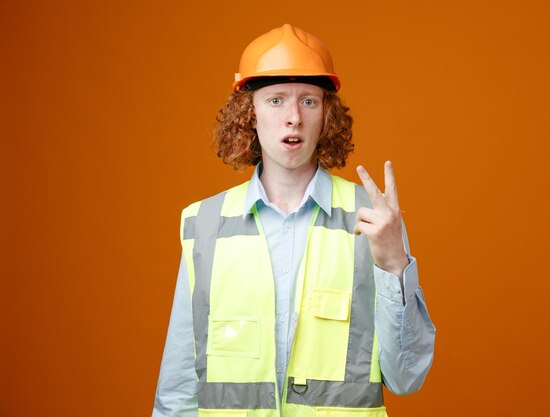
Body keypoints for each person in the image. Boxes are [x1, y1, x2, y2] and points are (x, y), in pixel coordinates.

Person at [152, 24, 435, 417]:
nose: (293, 119)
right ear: (248, 114)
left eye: (308, 102)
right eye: (275, 100)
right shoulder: (205, 225)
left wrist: (394, 266)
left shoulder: (374, 221)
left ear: (326, 116)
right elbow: (178, 387)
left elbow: (407, 377)